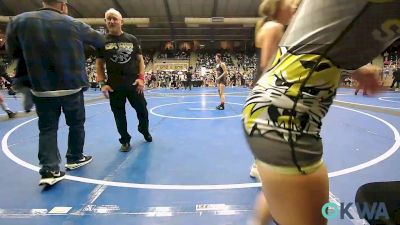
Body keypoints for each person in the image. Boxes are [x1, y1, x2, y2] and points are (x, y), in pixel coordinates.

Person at [243, 0, 397, 225]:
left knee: (280, 195)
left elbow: (321, 42)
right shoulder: (274, 27)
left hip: (273, 109)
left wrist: (355, 67)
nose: (295, 5)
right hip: (286, 115)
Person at [6, 0, 105, 186]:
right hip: (71, 85)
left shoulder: (20, 20)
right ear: (62, 5)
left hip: (41, 87)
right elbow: (99, 40)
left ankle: (49, 170)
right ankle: (75, 157)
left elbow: (12, 50)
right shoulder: (73, 23)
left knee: (47, 129)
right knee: (76, 124)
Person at [247, 0, 300, 224]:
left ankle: (259, 166)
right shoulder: (274, 28)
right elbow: (269, 63)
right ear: (279, 7)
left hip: (265, 89)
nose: (295, 6)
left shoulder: (267, 26)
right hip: (270, 90)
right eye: (291, 3)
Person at [96, 8, 152, 152]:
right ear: (105, 22)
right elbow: (99, 64)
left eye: (114, 18)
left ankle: (143, 130)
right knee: (119, 115)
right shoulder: (102, 41)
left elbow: (140, 61)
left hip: (134, 83)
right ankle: (125, 140)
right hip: (114, 85)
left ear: (122, 21)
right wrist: (102, 83)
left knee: (143, 111)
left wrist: (141, 78)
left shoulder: (132, 39)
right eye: (108, 18)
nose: (111, 21)